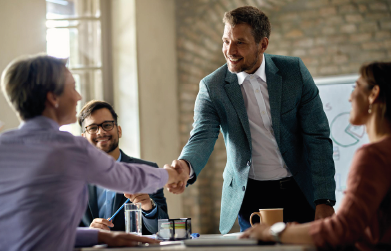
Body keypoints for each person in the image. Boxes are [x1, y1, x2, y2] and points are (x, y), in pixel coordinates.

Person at [167, 6, 336, 234]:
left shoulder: (293, 72)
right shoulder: (212, 86)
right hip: (250, 196)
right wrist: (185, 166)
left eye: (240, 42)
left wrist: (324, 199)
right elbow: (202, 134)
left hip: (299, 189)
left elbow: (317, 137)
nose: (230, 50)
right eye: (226, 41)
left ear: (263, 44)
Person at [0, 54, 183, 251]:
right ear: (53, 98)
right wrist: (175, 174)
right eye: (72, 87)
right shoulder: (70, 148)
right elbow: (129, 178)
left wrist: (100, 236)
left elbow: (38, 233)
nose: (78, 96)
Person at [240, 62, 391, 250]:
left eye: (357, 87)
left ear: (374, 94)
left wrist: (273, 232)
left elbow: (343, 228)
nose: (351, 98)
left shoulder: (373, 156)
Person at [78, 100, 168, 234]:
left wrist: (148, 207)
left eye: (107, 125)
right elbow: (63, 230)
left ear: (119, 131)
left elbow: (163, 230)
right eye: (92, 128)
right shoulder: (73, 177)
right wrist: (88, 234)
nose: (101, 132)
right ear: (84, 138)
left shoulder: (148, 170)